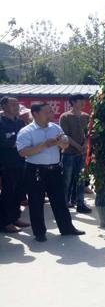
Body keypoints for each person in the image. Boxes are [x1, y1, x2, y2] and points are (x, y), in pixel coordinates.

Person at [16, 103, 85, 242]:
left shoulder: (55, 128)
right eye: (47, 112)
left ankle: (66, 228)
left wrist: (63, 144)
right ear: (35, 114)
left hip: (54, 169)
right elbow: (22, 152)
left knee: (59, 200)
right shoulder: (26, 131)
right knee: (36, 202)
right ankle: (39, 232)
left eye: (51, 111)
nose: (51, 114)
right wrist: (44, 145)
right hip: (35, 170)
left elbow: (64, 145)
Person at [0, 97, 30, 233]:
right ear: (3, 107)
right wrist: (15, 143)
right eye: (13, 104)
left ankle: (15, 217)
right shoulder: (1, 123)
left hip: (21, 161)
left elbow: (25, 139)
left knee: (19, 192)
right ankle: (5, 222)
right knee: (8, 193)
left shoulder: (20, 122)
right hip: (7, 164)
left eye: (17, 104)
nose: (17, 107)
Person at [59, 94, 92, 213]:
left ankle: (80, 203)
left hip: (82, 153)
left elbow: (89, 133)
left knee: (81, 179)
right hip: (69, 153)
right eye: (80, 100)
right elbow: (65, 135)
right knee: (67, 179)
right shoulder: (65, 116)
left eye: (84, 100)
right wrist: (78, 146)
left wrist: (85, 145)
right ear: (73, 102)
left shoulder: (86, 116)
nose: (83, 103)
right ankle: (64, 203)